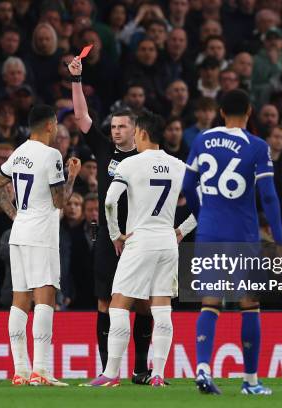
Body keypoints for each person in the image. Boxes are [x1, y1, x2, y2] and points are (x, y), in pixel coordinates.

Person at [182, 89, 282, 395]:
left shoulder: (201, 140)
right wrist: (279, 239)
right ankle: (250, 381)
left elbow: (188, 185)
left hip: (209, 233)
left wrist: (205, 217)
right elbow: (267, 195)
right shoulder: (257, 146)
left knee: (210, 302)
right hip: (242, 234)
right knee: (249, 304)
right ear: (250, 111)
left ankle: (202, 368)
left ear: (222, 111)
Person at [86, 111, 192, 387]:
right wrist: (182, 230)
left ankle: (110, 374)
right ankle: (157, 374)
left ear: (142, 133)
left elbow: (110, 202)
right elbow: (204, 205)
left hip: (139, 241)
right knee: (162, 308)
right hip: (168, 243)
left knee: (118, 305)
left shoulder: (130, 165)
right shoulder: (179, 165)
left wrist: (115, 235)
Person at [69, 56, 156, 384]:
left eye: (123, 126)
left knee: (144, 304)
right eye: (114, 126)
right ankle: (109, 372)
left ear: (135, 130)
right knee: (105, 302)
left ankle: (141, 369)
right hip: (108, 237)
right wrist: (77, 79)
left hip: (139, 238)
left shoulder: (148, 157)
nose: (116, 131)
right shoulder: (104, 149)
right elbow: (80, 115)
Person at [0, 105, 81, 386]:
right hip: (41, 235)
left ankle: (20, 370)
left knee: (20, 300)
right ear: (51, 125)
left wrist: (14, 214)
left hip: (20, 232)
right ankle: (41, 370)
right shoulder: (52, 155)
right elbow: (59, 202)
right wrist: (72, 175)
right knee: (45, 299)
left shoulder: (19, 152)